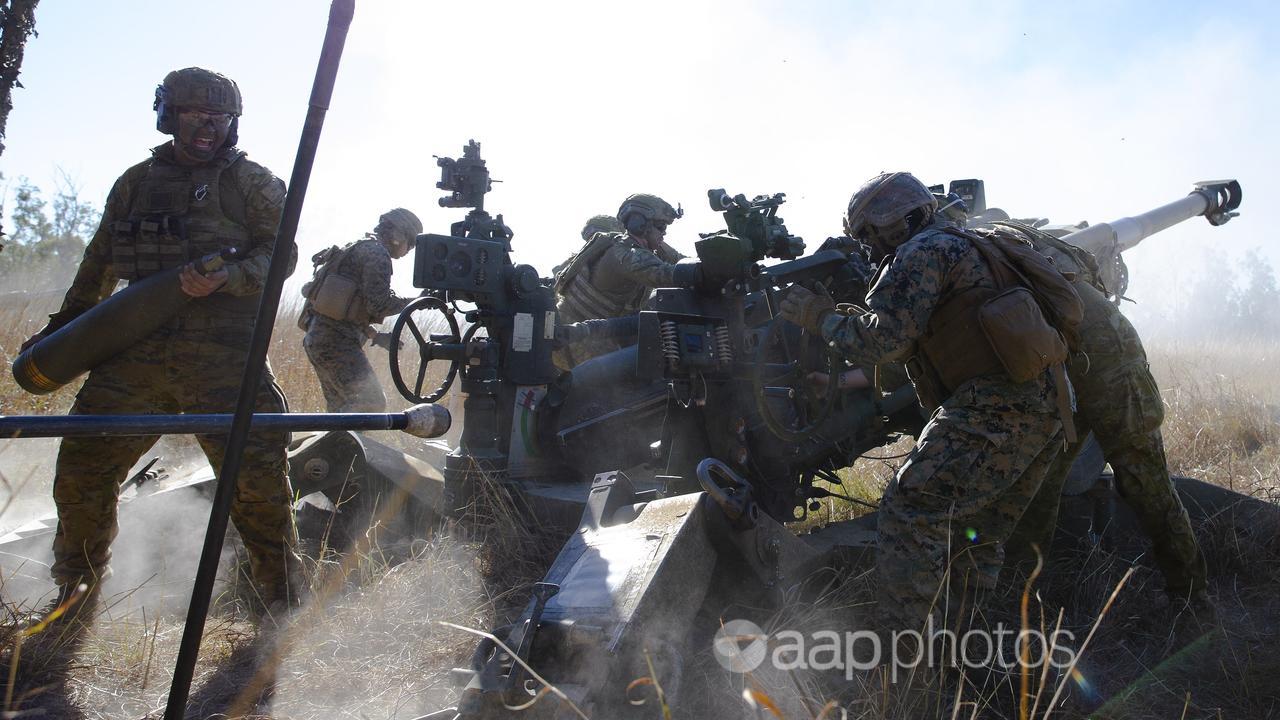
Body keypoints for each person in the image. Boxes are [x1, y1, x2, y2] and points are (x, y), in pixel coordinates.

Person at [21, 67, 300, 618]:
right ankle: (72, 599)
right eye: (197, 116)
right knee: (83, 472)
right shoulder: (134, 183)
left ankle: (278, 604)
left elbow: (281, 257)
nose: (209, 129)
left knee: (257, 487)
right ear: (170, 115)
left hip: (224, 356)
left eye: (220, 120)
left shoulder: (254, 184)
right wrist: (63, 330)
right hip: (135, 356)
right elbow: (98, 264)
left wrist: (231, 277)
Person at [779, 172, 1071, 632]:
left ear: (892, 222)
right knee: (977, 533)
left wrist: (818, 317)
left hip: (993, 404)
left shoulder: (921, 253)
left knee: (909, 510)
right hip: (1046, 404)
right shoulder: (967, 243)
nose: (869, 247)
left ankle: (909, 666)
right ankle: (963, 649)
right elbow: (913, 352)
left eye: (869, 235)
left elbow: (884, 343)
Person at [996, 220, 1209, 603]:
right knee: (1040, 485)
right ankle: (1020, 600)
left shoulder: (961, 256)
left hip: (1110, 358)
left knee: (1143, 478)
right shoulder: (985, 245)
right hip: (1060, 364)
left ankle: (1191, 596)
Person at [299, 208, 422, 412]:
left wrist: (373, 334)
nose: (409, 250)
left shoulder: (360, 246)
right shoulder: (377, 254)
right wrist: (418, 301)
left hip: (320, 339)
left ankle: (336, 443)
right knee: (370, 403)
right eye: (411, 243)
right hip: (336, 342)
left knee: (341, 408)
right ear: (399, 237)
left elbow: (346, 307)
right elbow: (379, 304)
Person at [554, 194, 698, 365]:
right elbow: (664, 274)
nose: (664, 233)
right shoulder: (624, 253)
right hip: (576, 336)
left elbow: (680, 260)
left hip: (600, 331)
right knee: (619, 385)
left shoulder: (646, 247)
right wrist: (702, 273)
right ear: (640, 225)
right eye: (660, 227)